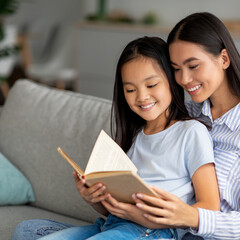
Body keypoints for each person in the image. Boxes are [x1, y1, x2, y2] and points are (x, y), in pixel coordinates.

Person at [11, 36, 220, 240]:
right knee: (27, 230)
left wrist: (152, 219)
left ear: (171, 82)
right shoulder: (136, 136)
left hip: (154, 231)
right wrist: (93, 199)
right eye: (130, 89)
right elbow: (117, 209)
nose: (141, 97)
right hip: (114, 225)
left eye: (151, 85)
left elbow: (210, 207)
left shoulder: (190, 131)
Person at [129, 12, 240, 240]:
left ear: (224, 59)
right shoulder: (186, 114)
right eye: (175, 68)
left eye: (193, 66)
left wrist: (192, 217)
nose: (183, 79)